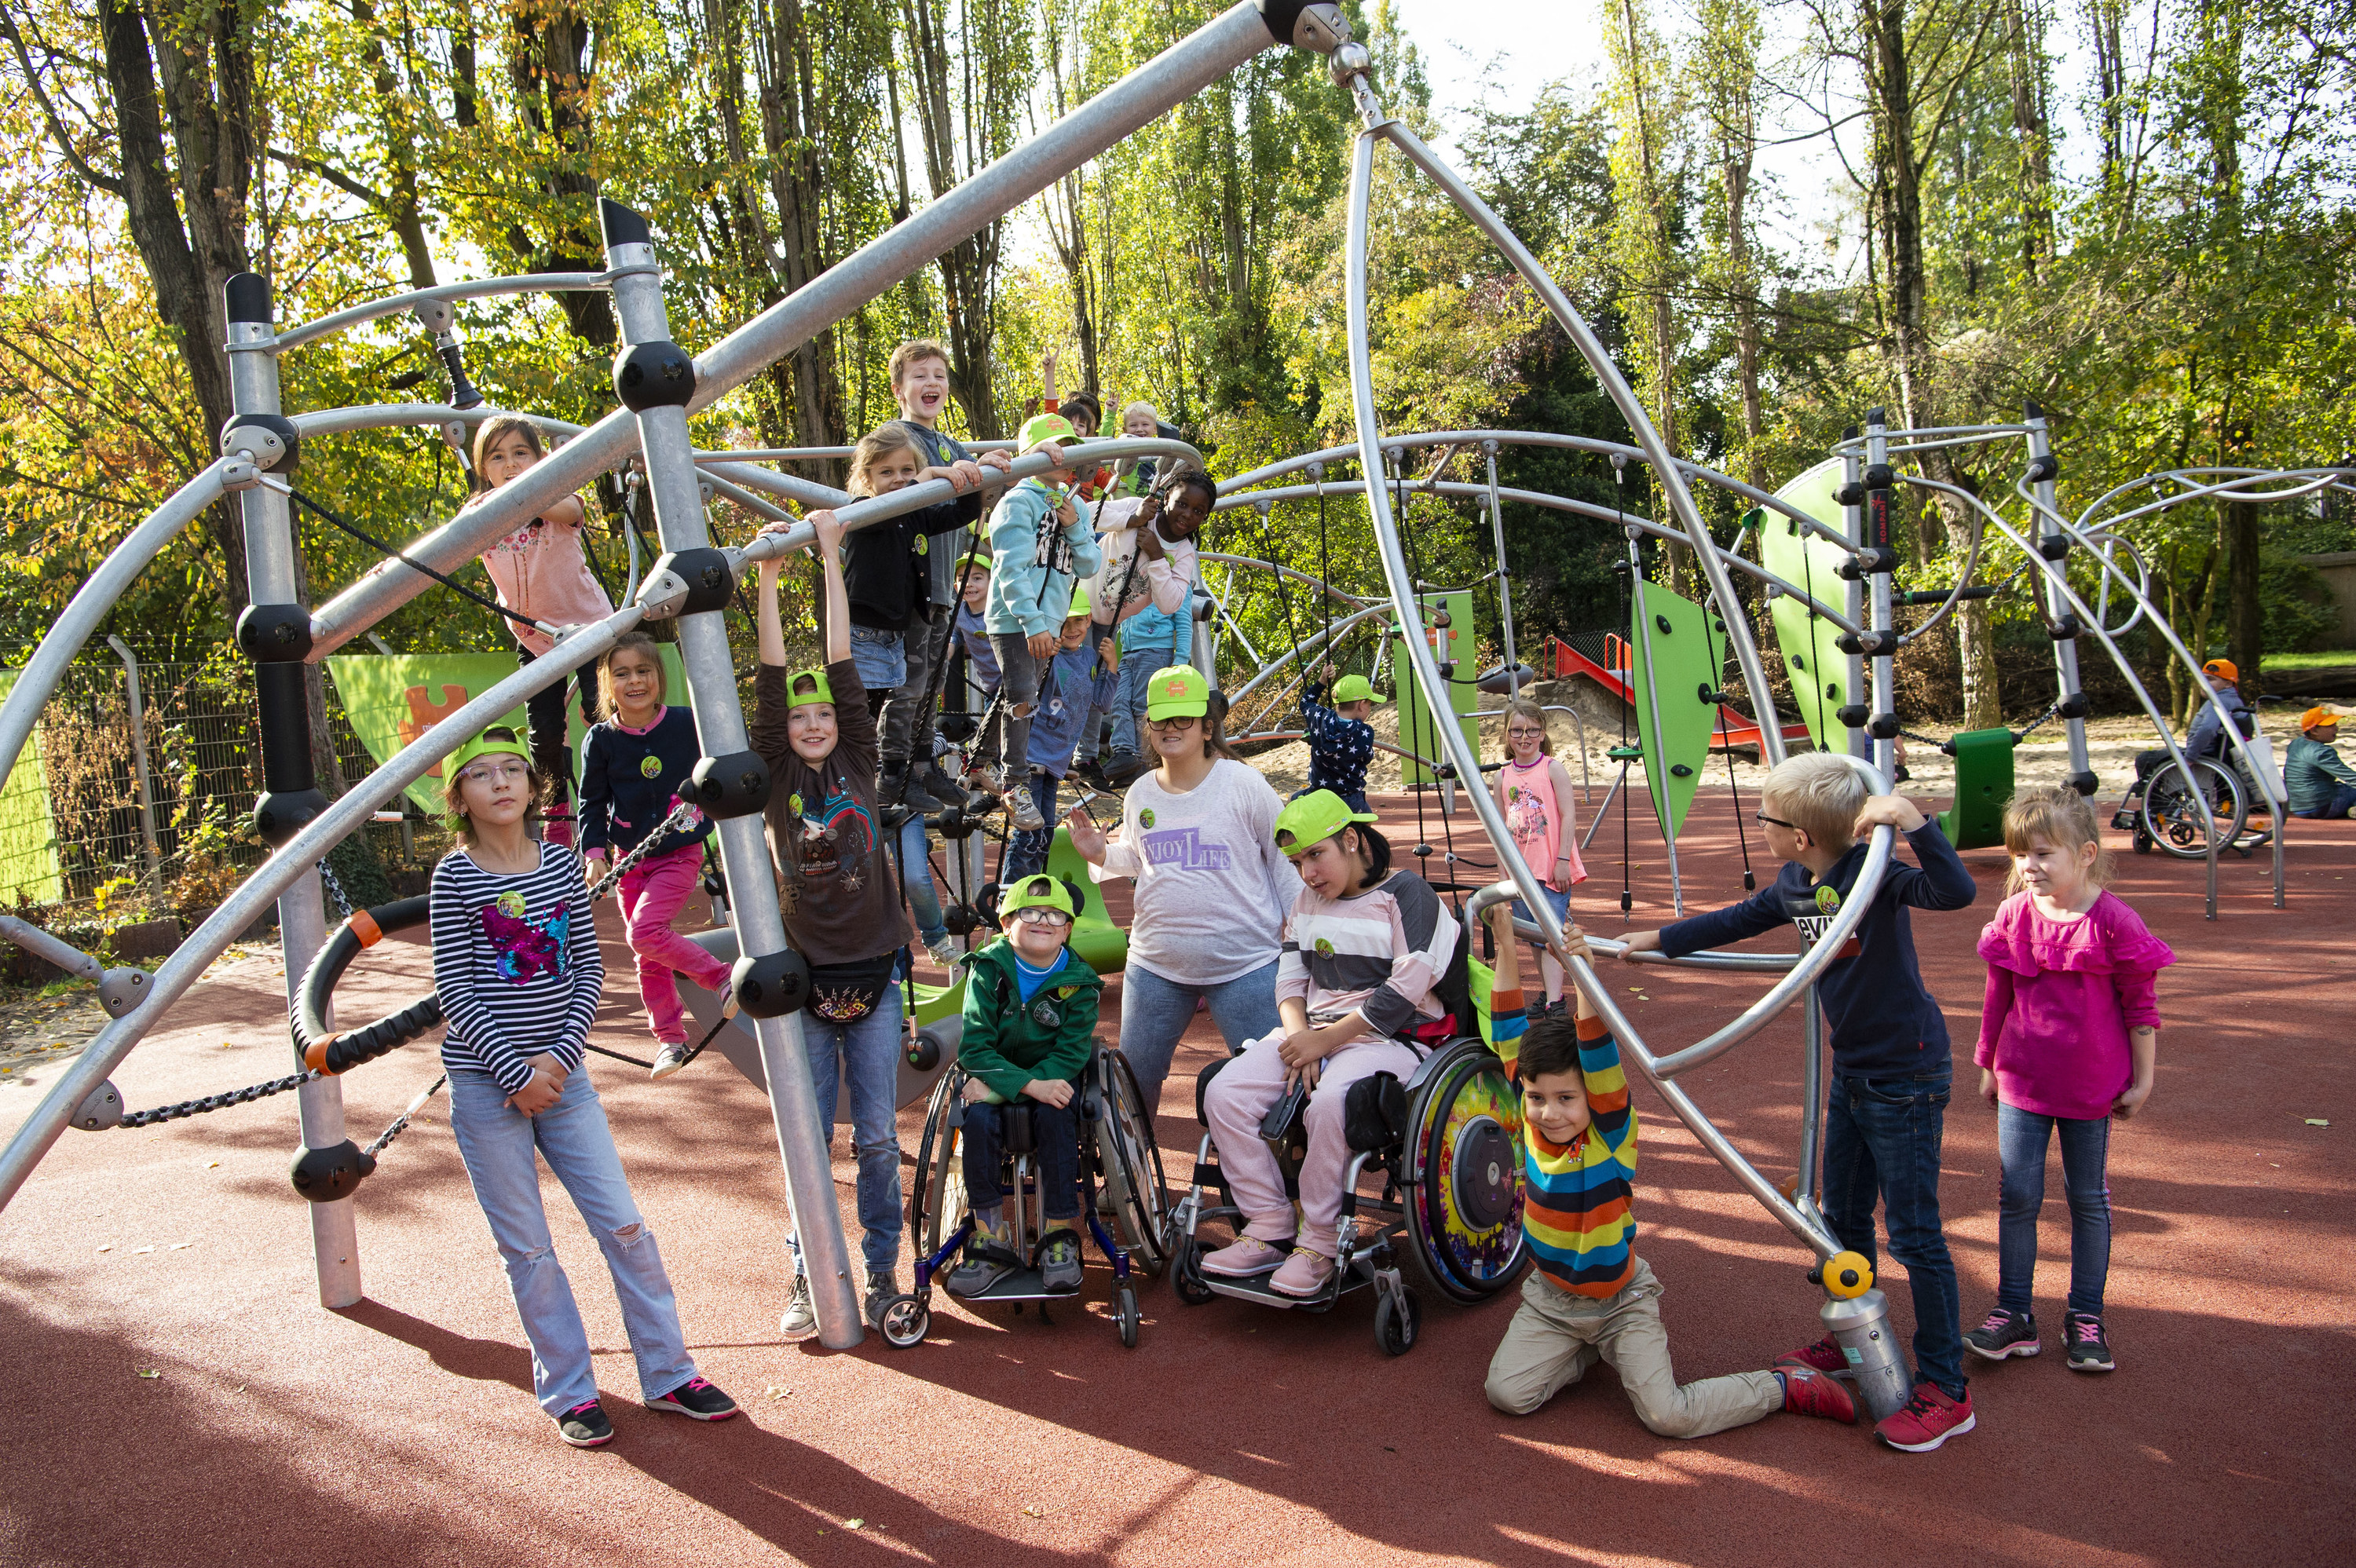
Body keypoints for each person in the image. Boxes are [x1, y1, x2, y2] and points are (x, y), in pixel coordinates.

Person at [1619, 752, 1979, 1453]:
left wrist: (1914, 823)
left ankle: (1947, 1387)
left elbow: (1955, 892)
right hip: (1854, 1072)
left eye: (1767, 820)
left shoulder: (1872, 877)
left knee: (1913, 1233)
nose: (1761, 827)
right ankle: (1853, 1335)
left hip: (1906, 1074)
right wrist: (1659, 941)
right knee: (1840, 1216)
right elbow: (1740, 918)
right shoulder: (1793, 881)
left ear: (1804, 836)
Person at [430, 725, 736, 1446]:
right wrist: (513, 1072)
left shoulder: (562, 866)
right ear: (460, 796)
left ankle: (668, 1372)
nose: (502, 782)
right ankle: (569, 1388)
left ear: (533, 786)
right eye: (483, 774)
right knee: (530, 1248)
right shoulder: (456, 876)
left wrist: (559, 1063)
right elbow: (456, 986)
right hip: (487, 1083)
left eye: (513, 769)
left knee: (624, 1224)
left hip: (564, 1078)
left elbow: (588, 971)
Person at [1482, 903, 1857, 1434]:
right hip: (1551, 1299)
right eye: (1539, 1097)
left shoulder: (1607, 1133)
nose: (1550, 1110)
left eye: (1566, 1097)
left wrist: (1583, 974)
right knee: (1506, 1393)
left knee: (1667, 1415)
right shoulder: (1531, 1116)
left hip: (1619, 1302)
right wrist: (1502, 940)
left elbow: (1597, 1053)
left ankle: (1780, 1386)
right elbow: (1507, 1033)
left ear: (1591, 1098)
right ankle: (1581, 1352)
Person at [751, 508, 913, 1336]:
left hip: (874, 971)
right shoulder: (775, 774)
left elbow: (842, 661)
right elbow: (775, 673)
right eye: (798, 719)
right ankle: (810, 1269)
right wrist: (771, 580)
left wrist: (827, 554)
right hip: (806, 977)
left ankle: (882, 1270)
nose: (812, 723)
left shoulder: (857, 758)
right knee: (808, 1135)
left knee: (878, 1138)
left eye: (822, 716)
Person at [1198, 791, 1452, 1297]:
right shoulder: (1305, 903)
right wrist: (1299, 1040)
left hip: (1392, 1037)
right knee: (1223, 1093)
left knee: (1331, 1104)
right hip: (1315, 1031)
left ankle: (1318, 1239)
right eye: (1298, 863)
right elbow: (1289, 983)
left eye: (1317, 855)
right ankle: (1269, 1224)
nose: (1308, 874)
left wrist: (1325, 1042)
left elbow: (1406, 988)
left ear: (1352, 840)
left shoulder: (1408, 895)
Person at [1966, 786, 2173, 1374]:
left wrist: (2143, 1081)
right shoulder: (2013, 915)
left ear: (2084, 853)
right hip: (2023, 1082)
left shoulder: (2114, 922)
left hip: (2090, 1088)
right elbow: (1997, 997)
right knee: (2018, 1197)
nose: (2028, 866)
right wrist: (1987, 1064)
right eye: (2019, 855)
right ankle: (2013, 1312)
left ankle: (2085, 1314)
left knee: (2087, 1199)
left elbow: (2142, 1008)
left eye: (2041, 854)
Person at [1066, 666, 1301, 1118]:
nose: (1171, 728)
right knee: (1133, 1083)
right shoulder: (1139, 793)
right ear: (1148, 724)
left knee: (1272, 1083)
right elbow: (1141, 860)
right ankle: (1134, 1184)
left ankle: (1275, 1186)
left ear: (1207, 727)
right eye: (1161, 719)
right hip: (1155, 966)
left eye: (1184, 719)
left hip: (1246, 964)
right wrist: (1100, 854)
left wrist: (1298, 945)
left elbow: (1283, 862)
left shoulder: (1243, 783)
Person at [576, 631, 733, 1077]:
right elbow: (591, 801)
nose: (635, 681)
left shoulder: (686, 724)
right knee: (648, 954)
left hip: (678, 852)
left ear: (658, 677)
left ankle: (720, 977)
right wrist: (594, 852)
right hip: (630, 857)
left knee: (644, 933)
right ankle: (669, 1039)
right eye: (622, 674)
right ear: (607, 684)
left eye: (643, 671)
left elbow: (715, 770)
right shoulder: (601, 740)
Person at [944, 873, 1105, 1296]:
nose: (1044, 921)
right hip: (998, 1072)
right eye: (1030, 912)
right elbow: (975, 1048)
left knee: (1057, 1118)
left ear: (1068, 929)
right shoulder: (987, 970)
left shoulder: (1081, 983)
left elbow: (1072, 1053)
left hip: (1054, 1077)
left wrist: (1026, 1087)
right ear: (1006, 923)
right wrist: (1023, 1086)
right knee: (976, 1120)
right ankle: (990, 1234)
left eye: (1055, 915)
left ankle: (1058, 1234)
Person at [466, 415, 613, 846]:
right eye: (498, 457)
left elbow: (572, 510)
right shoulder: (478, 515)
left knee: (600, 711)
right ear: (484, 470)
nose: (510, 464)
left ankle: (612, 799)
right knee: (544, 730)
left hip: (589, 627)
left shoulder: (557, 500)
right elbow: (442, 550)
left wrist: (523, 494)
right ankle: (556, 810)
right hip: (533, 637)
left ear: (540, 459)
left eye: (520, 453)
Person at [887, 338, 1012, 809]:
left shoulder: (950, 445)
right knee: (908, 681)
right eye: (920, 375)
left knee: (932, 680)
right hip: (910, 583)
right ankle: (894, 770)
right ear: (900, 388)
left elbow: (972, 498)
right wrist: (951, 473)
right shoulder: (897, 440)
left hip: (943, 584)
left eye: (939, 375)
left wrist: (991, 473)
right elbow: (886, 493)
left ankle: (924, 765)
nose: (932, 383)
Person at [836, 422, 988, 810]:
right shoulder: (863, 511)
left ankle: (883, 781)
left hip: (893, 632)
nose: (899, 480)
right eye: (887, 473)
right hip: (864, 632)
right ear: (866, 477)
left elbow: (957, 515)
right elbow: (886, 514)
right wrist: (929, 475)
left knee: (906, 694)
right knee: (863, 717)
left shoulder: (915, 514)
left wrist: (970, 484)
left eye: (907, 471)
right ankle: (862, 784)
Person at [984, 412, 1104, 833]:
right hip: (1015, 618)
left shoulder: (1076, 505)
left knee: (1022, 694)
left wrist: (1072, 524)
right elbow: (1010, 571)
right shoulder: (1018, 501)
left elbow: (1089, 564)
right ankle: (1013, 782)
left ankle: (978, 763)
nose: (1062, 454)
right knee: (1022, 694)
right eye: (1051, 447)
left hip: (1048, 620)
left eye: (1067, 446)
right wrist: (1033, 623)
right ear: (1029, 455)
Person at [1092, 470, 1212, 785]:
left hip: (1150, 645)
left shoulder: (1183, 555)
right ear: (1166, 497)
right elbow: (1086, 515)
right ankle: (1117, 753)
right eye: (1182, 503)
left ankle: (1140, 759)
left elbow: (1176, 607)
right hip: (1094, 612)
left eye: (1198, 511)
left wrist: (1158, 557)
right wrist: (1131, 518)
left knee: (1138, 706)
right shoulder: (1140, 509)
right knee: (1114, 698)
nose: (1188, 514)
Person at [1005, 583, 1118, 881]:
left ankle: (1031, 892)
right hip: (1033, 758)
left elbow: (1101, 703)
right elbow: (1027, 689)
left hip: (1055, 763)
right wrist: (1044, 657)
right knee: (1028, 835)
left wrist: (1111, 666)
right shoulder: (1048, 653)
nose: (1072, 629)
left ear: (1089, 621)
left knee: (1043, 837)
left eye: (1079, 621)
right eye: (1064, 623)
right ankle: (1012, 894)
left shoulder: (1089, 657)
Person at [1493, 700, 1587, 1015]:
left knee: (1552, 933)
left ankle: (1555, 1001)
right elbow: (1501, 830)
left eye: (1532, 730)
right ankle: (1549, 992)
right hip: (1521, 872)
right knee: (1534, 937)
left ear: (1542, 733)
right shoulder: (1502, 777)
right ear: (1507, 735)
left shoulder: (1552, 768)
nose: (1524, 737)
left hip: (1550, 867)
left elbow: (1569, 815)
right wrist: (1503, 873)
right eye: (1517, 731)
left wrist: (1563, 860)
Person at [2132, 657, 2253, 785]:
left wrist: (2190, 758)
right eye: (2202, 678)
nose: (2203, 683)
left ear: (2228, 684)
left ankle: (2158, 804)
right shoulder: (2236, 702)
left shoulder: (2217, 702)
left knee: (2145, 758)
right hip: (2220, 756)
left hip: (2204, 756)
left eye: (2210, 679)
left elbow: (2207, 729)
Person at [950, 545, 1005, 800]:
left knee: (1004, 738)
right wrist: (945, 655)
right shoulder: (959, 613)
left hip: (1011, 682)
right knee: (994, 742)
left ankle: (994, 781)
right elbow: (954, 637)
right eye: (963, 578)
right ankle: (997, 793)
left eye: (977, 578)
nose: (969, 584)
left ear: (991, 580)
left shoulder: (999, 607)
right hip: (989, 685)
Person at [1297, 664, 1378, 814]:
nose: (1370, 708)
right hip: (1349, 798)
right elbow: (1367, 757)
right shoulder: (1364, 732)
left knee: (1293, 801)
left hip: (1317, 794)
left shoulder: (1319, 718)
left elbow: (1306, 702)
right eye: (1370, 704)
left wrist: (1322, 681)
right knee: (1367, 819)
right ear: (1361, 705)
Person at [2285, 706, 2356, 818]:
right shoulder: (2321, 752)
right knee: (2351, 790)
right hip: (2323, 808)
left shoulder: (2296, 743)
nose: (2336, 729)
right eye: (2330, 726)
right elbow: (2349, 777)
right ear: (2314, 731)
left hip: (2298, 807)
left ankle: (2350, 809)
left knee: (2341, 787)